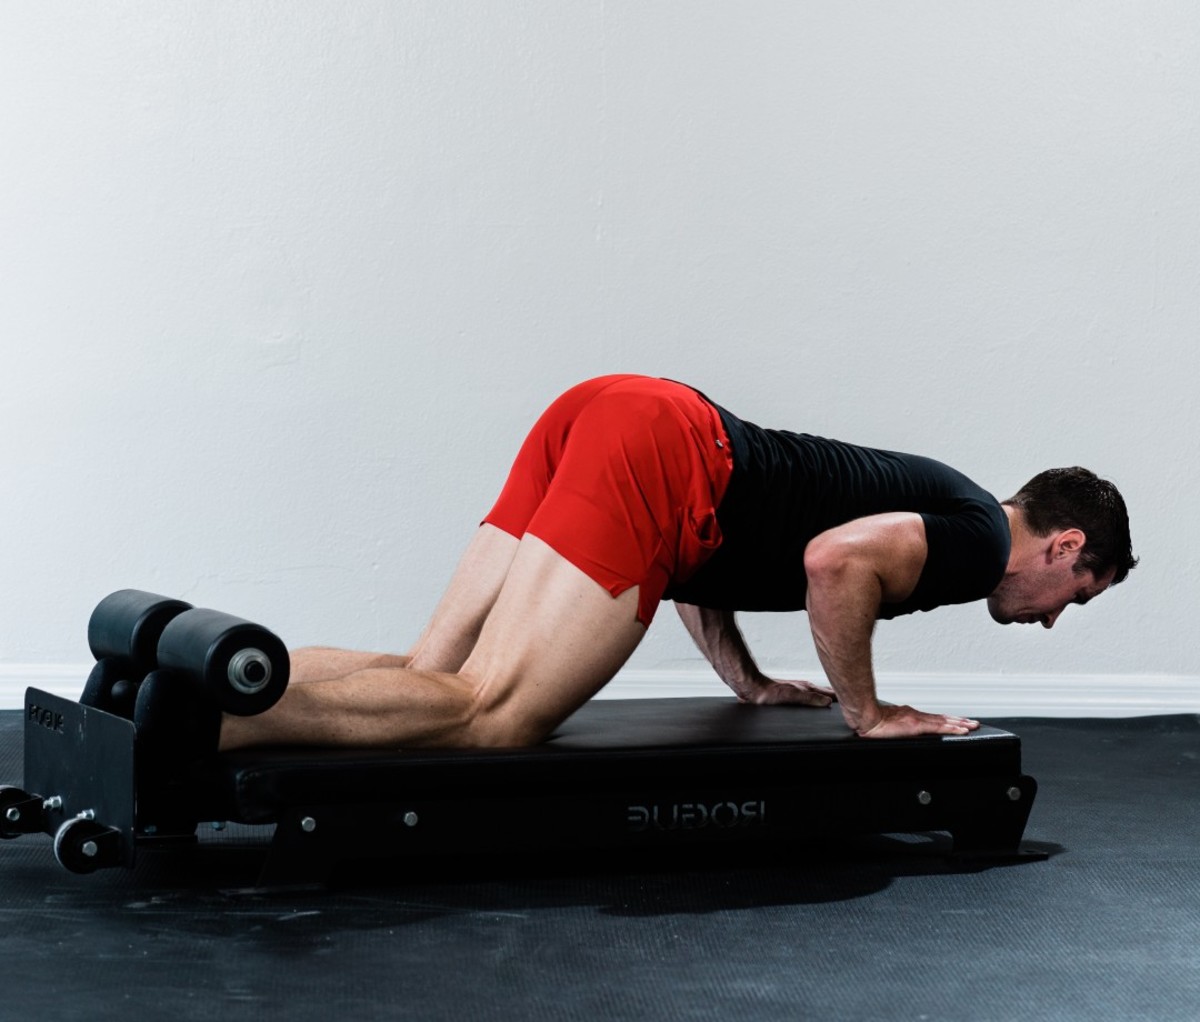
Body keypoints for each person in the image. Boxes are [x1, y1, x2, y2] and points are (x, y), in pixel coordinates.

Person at [218, 374, 1136, 752]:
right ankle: (213, 726)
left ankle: (204, 681)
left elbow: (716, 553)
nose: (1054, 616)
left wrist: (748, 680)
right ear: (1064, 546)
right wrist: (870, 713)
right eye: (1075, 596)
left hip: (617, 412)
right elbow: (835, 562)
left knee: (435, 673)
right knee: (491, 718)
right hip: (664, 448)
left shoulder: (954, 504)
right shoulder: (976, 540)